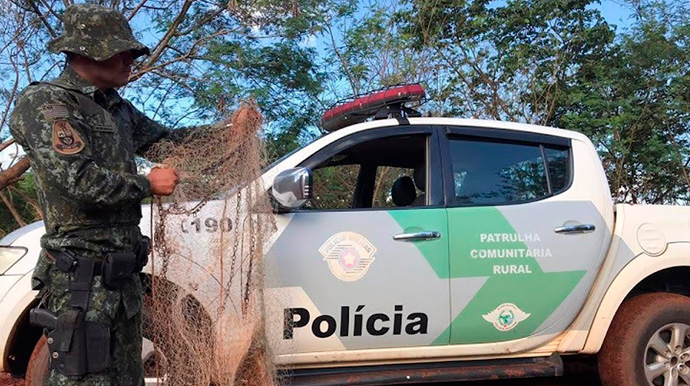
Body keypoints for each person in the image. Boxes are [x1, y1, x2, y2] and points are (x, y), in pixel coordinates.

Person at [9, 4, 188, 385]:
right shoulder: (46, 104)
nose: (130, 61)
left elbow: (170, 141)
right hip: (81, 285)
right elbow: (79, 182)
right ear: (87, 50)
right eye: (121, 52)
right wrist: (146, 184)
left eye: (130, 53)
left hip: (122, 282)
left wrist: (229, 131)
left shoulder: (118, 110)